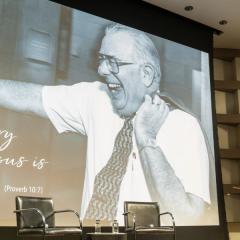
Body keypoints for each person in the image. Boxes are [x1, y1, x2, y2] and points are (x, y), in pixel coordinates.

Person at [0, 23, 211, 225]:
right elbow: (33, 98)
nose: (101, 70)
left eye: (113, 62)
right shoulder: (97, 98)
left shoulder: (184, 127)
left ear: (146, 74)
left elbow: (187, 219)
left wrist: (146, 139)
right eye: (101, 59)